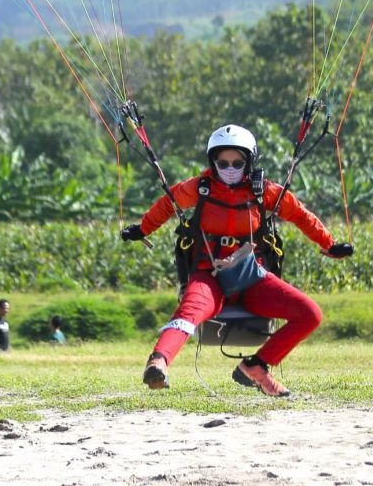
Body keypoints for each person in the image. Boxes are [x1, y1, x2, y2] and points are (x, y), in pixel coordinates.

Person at [121, 124, 354, 397]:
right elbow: (166, 204)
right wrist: (143, 229)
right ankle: (158, 362)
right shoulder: (200, 188)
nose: (229, 168)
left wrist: (329, 244)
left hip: (251, 278)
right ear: (212, 162)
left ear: (250, 161)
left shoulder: (263, 192)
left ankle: (256, 366)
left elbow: (300, 215)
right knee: (188, 313)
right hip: (210, 277)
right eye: (222, 162)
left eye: (237, 162)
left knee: (310, 314)